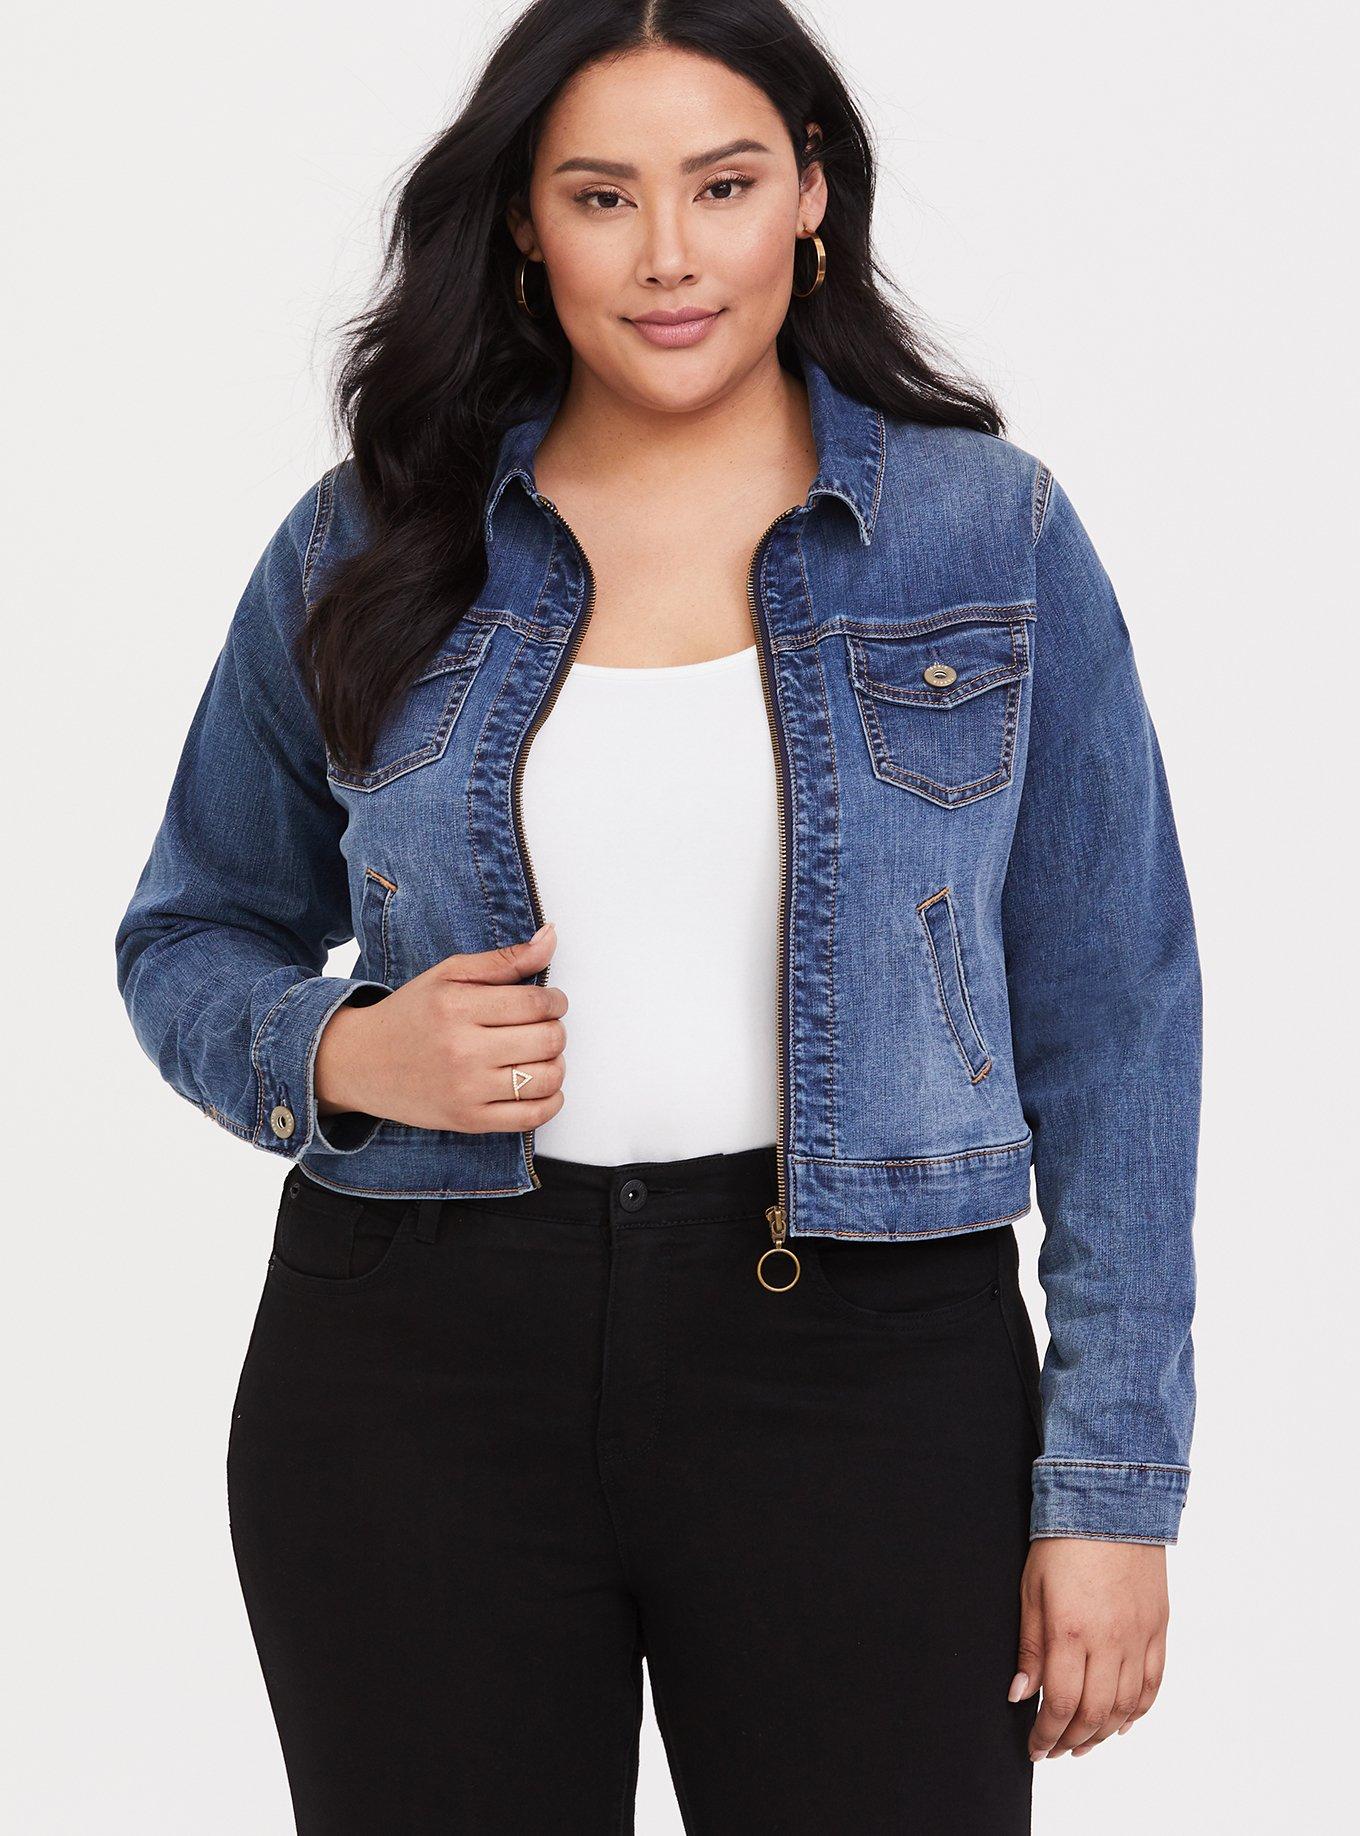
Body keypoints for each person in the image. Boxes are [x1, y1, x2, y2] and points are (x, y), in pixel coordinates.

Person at [113, 1, 1201, 1829]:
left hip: (869, 1371)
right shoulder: (364, 540)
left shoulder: (986, 536)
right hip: (415, 1369)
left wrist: (1111, 1489)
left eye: (725, 184)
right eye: (604, 196)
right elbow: (188, 930)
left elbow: (1120, 1020)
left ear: (812, 197)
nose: (671, 255)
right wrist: (349, 1052)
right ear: (526, 225)